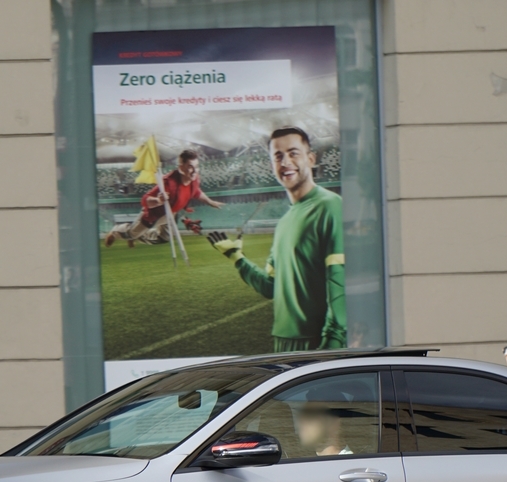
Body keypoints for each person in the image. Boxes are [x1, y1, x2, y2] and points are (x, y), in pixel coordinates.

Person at [207, 127, 346, 351]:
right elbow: (271, 287)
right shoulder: (283, 222)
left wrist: (331, 348)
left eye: (293, 153)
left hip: (316, 342)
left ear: (311, 159)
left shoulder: (330, 206)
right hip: (283, 340)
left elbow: (341, 284)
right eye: (278, 156)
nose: (285, 162)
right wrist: (237, 257)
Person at [103, 149, 224, 247]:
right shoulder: (168, 182)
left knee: (164, 238)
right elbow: (145, 199)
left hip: (170, 213)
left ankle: (138, 236)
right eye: (191, 167)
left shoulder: (194, 179)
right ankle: (115, 232)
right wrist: (157, 200)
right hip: (154, 214)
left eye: (197, 167)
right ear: (181, 168)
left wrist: (210, 201)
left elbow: (196, 192)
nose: (195, 171)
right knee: (131, 233)